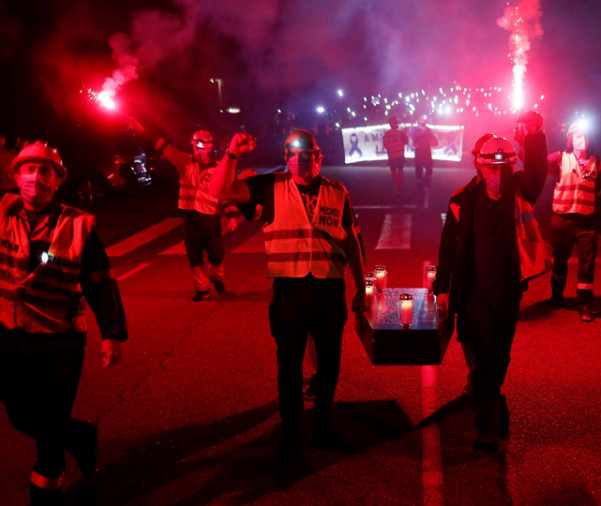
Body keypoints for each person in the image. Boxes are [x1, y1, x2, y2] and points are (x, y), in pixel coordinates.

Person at [209, 129, 365, 454]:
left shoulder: (337, 191)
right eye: (291, 154)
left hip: (328, 291)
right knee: (290, 365)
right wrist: (233, 153)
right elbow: (218, 190)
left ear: (318, 157)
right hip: (289, 294)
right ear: (285, 158)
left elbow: (350, 240)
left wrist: (362, 288)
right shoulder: (269, 186)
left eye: (305, 154)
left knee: (330, 365)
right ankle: (291, 432)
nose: (298, 160)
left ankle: (322, 428)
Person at [1, 142, 128, 505]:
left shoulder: (77, 224)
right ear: (16, 176)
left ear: (58, 181)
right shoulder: (2, 210)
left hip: (59, 341)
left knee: (49, 432)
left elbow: (99, 280)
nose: (36, 178)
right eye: (29, 170)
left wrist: (112, 333)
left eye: (46, 171)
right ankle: (82, 437)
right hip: (8, 336)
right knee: (22, 416)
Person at [433, 127, 549, 453]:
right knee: (482, 359)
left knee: (499, 356)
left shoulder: (520, 191)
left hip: (508, 293)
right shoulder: (462, 200)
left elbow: (538, 169)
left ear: (512, 168)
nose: (498, 175)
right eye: (492, 168)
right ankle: (487, 427)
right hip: (472, 296)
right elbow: (448, 251)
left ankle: (494, 403)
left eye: (504, 168)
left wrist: (535, 134)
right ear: (479, 167)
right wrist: (442, 288)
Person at [127, 117, 237, 301]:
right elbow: (162, 145)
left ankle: (215, 276)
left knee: (217, 254)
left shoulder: (219, 168)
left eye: (202, 147)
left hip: (210, 218)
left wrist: (232, 216)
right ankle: (202, 289)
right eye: (195, 147)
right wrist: (142, 130)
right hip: (190, 217)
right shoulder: (184, 162)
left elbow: (225, 194)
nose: (198, 151)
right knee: (193, 254)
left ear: (210, 147)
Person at [546, 119, 601, 322]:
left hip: (586, 223)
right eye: (577, 136)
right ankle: (556, 298)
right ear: (570, 139)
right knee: (560, 261)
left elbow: (600, 193)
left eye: (585, 136)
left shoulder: (596, 162)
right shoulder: (560, 158)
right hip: (562, 219)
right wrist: (528, 140)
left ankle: (585, 304)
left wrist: (600, 219)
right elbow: (536, 166)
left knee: (587, 265)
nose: (582, 140)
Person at [383, 116, 409, 196]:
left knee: (394, 172)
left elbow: (385, 145)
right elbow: (406, 142)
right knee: (400, 171)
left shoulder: (386, 134)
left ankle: (398, 187)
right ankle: (401, 186)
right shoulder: (401, 133)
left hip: (391, 156)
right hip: (400, 155)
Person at [411, 117, 438, 190]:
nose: (423, 120)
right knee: (419, 168)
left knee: (429, 168)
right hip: (419, 151)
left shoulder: (428, 129)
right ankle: (419, 183)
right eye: (421, 119)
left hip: (427, 151)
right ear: (419, 121)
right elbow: (414, 137)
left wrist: (435, 141)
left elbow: (432, 138)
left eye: (424, 119)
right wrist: (423, 131)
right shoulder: (415, 129)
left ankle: (426, 180)